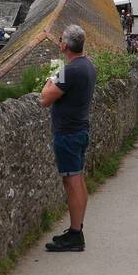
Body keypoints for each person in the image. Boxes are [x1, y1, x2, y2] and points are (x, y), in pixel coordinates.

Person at [39, 24, 97, 253]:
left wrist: (51, 77)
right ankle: (77, 228)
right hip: (79, 129)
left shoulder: (69, 70)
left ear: (65, 45)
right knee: (78, 180)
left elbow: (44, 98)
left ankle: (75, 234)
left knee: (71, 183)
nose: (59, 41)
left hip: (67, 133)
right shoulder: (87, 65)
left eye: (61, 39)